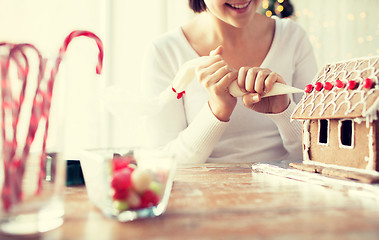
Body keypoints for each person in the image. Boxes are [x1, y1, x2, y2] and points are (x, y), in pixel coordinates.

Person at [140, 0, 317, 164]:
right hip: (202, 194)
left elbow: (320, 154)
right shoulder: (165, 51)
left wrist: (284, 111)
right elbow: (162, 163)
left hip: (287, 191)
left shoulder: (293, 37)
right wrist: (217, 110)